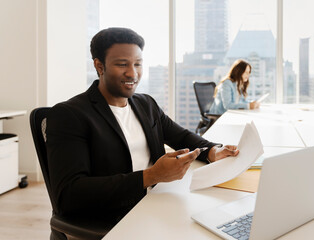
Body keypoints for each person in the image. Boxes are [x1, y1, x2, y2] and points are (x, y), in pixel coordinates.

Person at [45, 27, 239, 232]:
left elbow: (181, 136)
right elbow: (69, 194)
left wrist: (212, 151)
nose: (133, 73)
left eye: (138, 64)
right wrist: (151, 176)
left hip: (155, 202)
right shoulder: (70, 115)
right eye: (122, 64)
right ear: (99, 66)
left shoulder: (145, 104)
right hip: (113, 218)